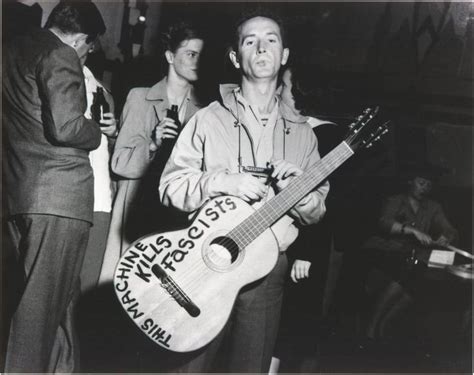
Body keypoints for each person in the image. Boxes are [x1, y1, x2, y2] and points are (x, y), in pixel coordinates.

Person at [159, 9, 329, 372]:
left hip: (269, 271)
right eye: (250, 41)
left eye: (271, 39)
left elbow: (317, 212)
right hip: (207, 259)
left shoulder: (304, 135)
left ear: (284, 55)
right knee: (189, 365)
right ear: (237, 58)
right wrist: (219, 182)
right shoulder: (207, 119)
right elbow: (170, 187)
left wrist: (297, 191)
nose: (262, 47)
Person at [2, 1, 107, 372]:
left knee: (58, 306)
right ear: (81, 39)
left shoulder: (11, 51)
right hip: (60, 199)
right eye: (87, 49)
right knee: (38, 316)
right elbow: (67, 128)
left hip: (19, 196)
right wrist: (96, 129)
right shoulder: (61, 53)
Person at [98, 20, 205, 284]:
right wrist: (153, 143)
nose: (197, 61)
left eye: (201, 56)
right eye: (190, 54)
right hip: (136, 208)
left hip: (176, 212)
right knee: (127, 285)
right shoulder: (140, 97)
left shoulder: (205, 111)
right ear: (170, 56)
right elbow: (121, 163)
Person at [275, 64, 343, 371]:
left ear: (301, 93)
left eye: (286, 85)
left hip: (304, 249)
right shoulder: (296, 128)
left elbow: (327, 202)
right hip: (285, 240)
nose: (279, 89)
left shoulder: (327, 136)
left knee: (285, 330)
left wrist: (306, 253)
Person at [362, 163, 458, 339]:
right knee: (407, 272)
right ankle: (372, 324)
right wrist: (412, 230)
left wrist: (447, 236)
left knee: (422, 280)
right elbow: (384, 223)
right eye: (421, 183)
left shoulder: (433, 206)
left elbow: (450, 229)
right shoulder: (395, 200)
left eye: (429, 185)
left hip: (413, 255)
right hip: (386, 249)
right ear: (410, 182)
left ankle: (384, 323)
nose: (425, 188)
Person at [79, 35, 119, 294]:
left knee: (87, 280)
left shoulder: (102, 92)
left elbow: (115, 157)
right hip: (64, 195)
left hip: (98, 200)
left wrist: (115, 133)